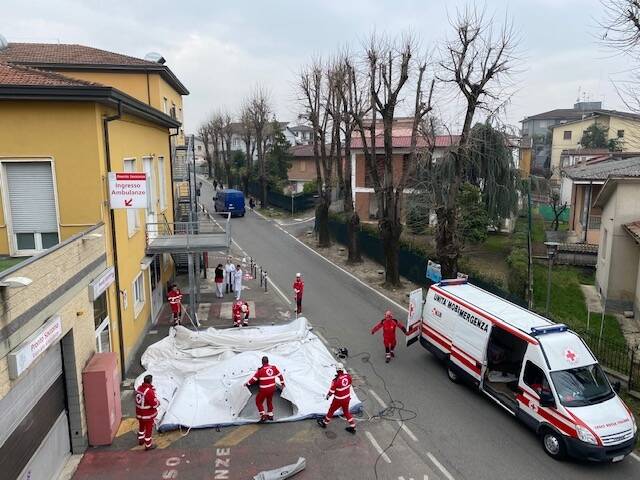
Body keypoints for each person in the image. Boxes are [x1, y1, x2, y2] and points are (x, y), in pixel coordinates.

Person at [316, 363, 356, 434]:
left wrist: (328, 396)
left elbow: (332, 390)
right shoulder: (348, 376)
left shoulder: (335, 381)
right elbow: (349, 384)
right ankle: (352, 426)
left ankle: (324, 423)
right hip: (346, 398)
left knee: (331, 410)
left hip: (338, 399)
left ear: (336, 370)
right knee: (346, 412)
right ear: (342, 369)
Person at [245, 356, 285, 422]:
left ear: (262, 362)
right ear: (268, 361)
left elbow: (254, 379)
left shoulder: (260, 370)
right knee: (269, 401)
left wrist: (247, 384)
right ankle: (270, 415)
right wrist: (283, 384)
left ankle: (263, 415)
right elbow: (280, 376)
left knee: (258, 401)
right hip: (272, 388)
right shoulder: (273, 368)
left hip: (264, 389)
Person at [135, 374, 160, 450]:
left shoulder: (139, 388)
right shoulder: (149, 392)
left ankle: (141, 440)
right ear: (151, 381)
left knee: (141, 427)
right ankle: (148, 445)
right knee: (148, 429)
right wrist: (158, 402)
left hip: (139, 413)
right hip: (147, 415)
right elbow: (154, 404)